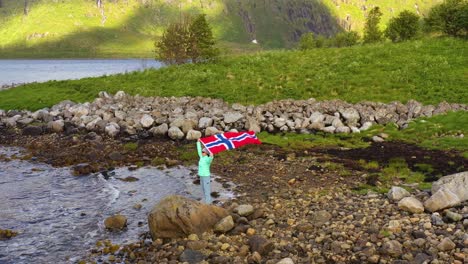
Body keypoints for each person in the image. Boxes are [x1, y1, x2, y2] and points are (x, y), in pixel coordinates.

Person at [197, 139, 214, 204]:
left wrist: (211, 156)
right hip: (201, 175)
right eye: (202, 151)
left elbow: (210, 159)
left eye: (203, 152)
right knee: (203, 189)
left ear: (206, 153)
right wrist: (198, 142)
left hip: (206, 176)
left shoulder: (207, 159)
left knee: (207, 190)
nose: (202, 152)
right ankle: (206, 202)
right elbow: (199, 150)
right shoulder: (201, 157)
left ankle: (208, 204)